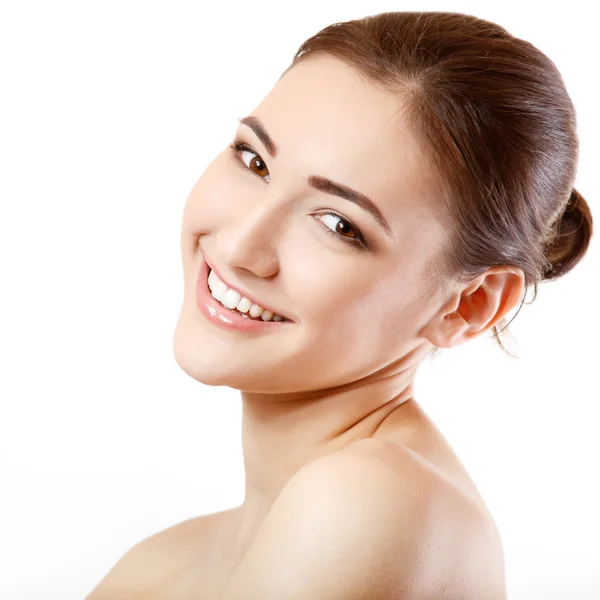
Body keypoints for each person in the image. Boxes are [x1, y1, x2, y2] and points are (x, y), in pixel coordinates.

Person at [86, 10, 593, 600]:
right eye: (254, 160)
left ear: (470, 304)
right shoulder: (169, 558)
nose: (240, 244)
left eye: (337, 223)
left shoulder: (372, 505)